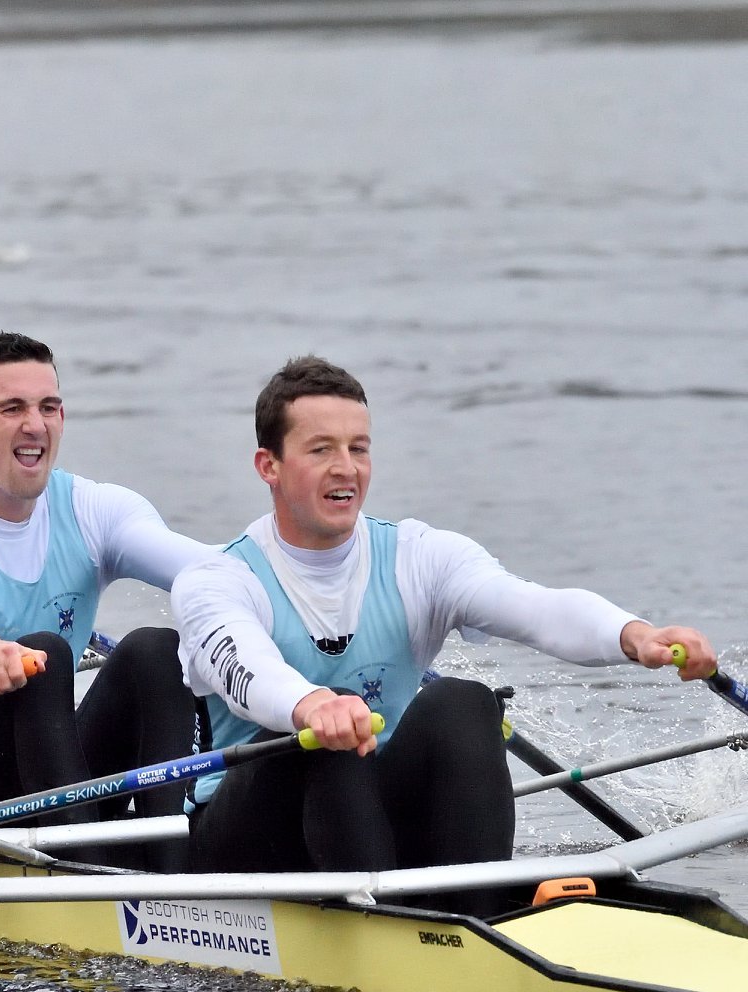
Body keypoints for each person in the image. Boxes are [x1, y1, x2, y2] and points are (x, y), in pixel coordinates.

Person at [171, 355, 717, 910]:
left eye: (358, 448)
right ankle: (402, 928)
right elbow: (245, 669)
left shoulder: (419, 555)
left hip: (370, 827)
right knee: (328, 737)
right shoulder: (216, 581)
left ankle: (470, 916)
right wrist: (312, 705)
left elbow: (534, 607)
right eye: (321, 450)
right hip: (251, 845)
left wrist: (632, 633)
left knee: (464, 702)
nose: (346, 467)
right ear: (269, 465)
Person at [0, 332, 214, 867]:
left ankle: (170, 873)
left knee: (157, 649)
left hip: (45, 764)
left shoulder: (95, 509)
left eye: (48, 408)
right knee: (42, 654)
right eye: (12, 408)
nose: (34, 425)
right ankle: (86, 874)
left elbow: (206, 570)